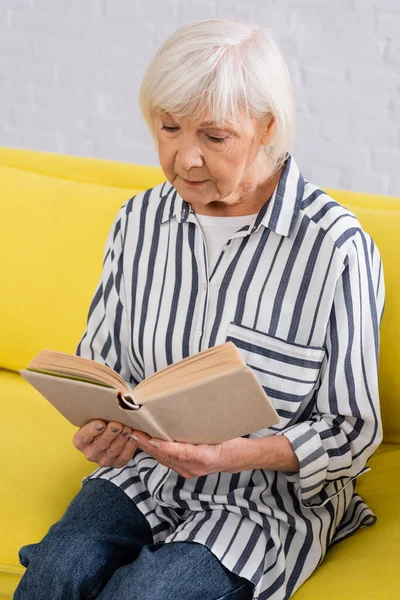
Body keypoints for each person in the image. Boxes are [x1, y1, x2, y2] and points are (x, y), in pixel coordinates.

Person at [14, 18, 385, 600]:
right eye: (168, 128)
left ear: (266, 127)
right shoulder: (137, 222)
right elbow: (101, 365)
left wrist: (233, 454)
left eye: (214, 137)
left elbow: (353, 432)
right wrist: (99, 426)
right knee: (53, 579)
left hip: (264, 498)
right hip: (141, 471)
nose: (185, 158)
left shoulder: (335, 248)